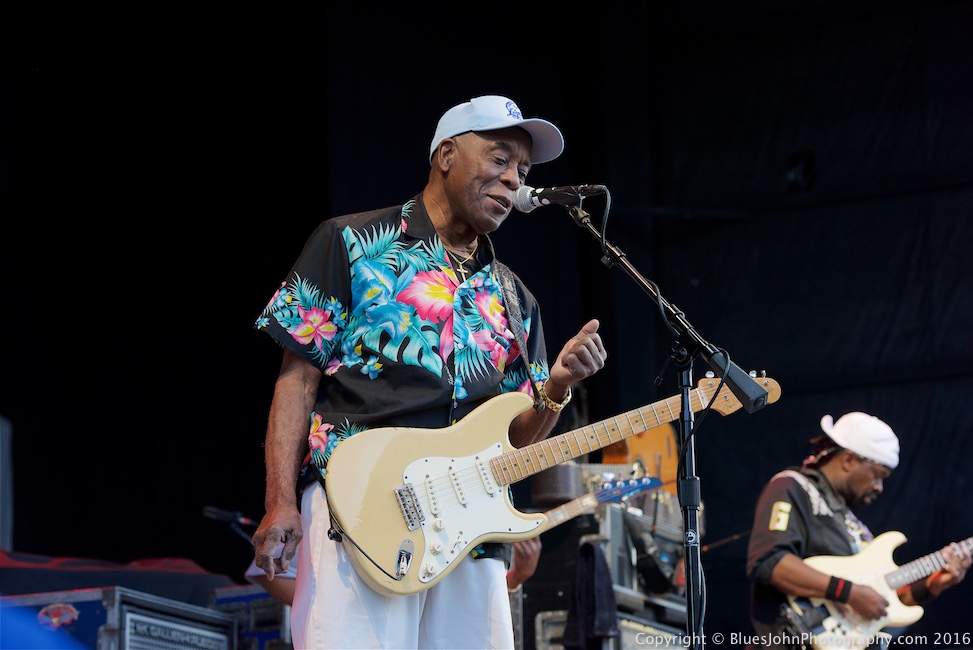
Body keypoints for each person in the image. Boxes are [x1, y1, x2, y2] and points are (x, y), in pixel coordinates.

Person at [250, 94, 608, 649]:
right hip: (358, 508)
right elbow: (297, 381)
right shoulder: (349, 244)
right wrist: (278, 501)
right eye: (498, 159)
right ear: (445, 155)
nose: (513, 179)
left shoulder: (516, 299)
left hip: (469, 536)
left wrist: (558, 387)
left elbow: (513, 444)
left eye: (523, 170)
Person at [746, 412, 971, 648]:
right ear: (849, 460)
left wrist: (932, 585)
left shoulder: (851, 523)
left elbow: (881, 601)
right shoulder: (792, 486)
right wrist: (848, 591)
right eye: (878, 475)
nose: (879, 488)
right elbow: (769, 561)